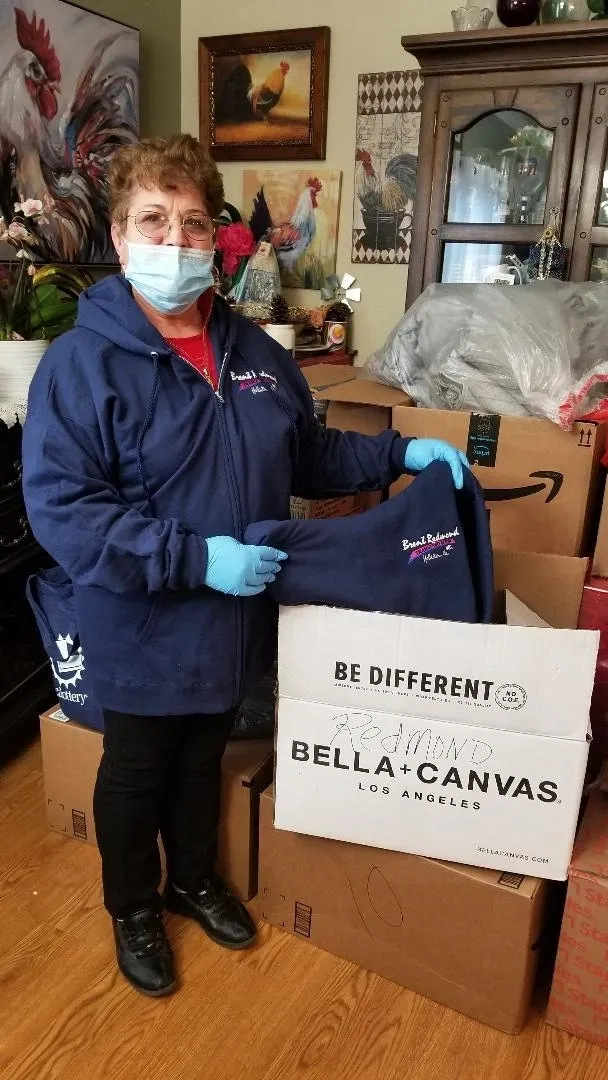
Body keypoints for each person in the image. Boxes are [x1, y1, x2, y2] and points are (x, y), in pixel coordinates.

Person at [22, 134, 469, 998]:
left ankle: (192, 882)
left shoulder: (257, 354)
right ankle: (134, 906)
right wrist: (192, 557)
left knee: (203, 760)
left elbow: (307, 454)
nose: (176, 241)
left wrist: (401, 452)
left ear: (217, 237)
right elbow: (66, 514)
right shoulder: (81, 366)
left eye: (193, 223)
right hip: (144, 618)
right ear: (119, 236)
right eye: (153, 220)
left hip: (237, 615)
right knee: (138, 765)